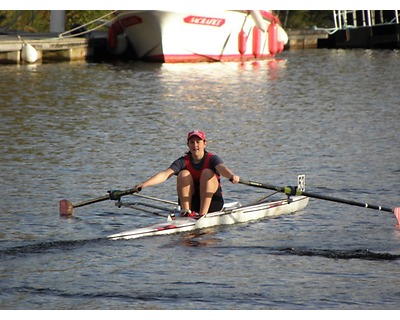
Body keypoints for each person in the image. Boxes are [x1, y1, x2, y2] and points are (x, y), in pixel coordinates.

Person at [133, 130, 240, 217]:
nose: (195, 145)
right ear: (188, 145)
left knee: (207, 173)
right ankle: (186, 212)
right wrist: (144, 184)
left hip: (213, 204)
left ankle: (203, 215)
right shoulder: (183, 161)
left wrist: (231, 176)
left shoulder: (212, 159)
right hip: (192, 204)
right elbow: (165, 174)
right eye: (192, 142)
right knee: (183, 174)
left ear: (205, 143)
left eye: (198, 142)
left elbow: (222, 168)